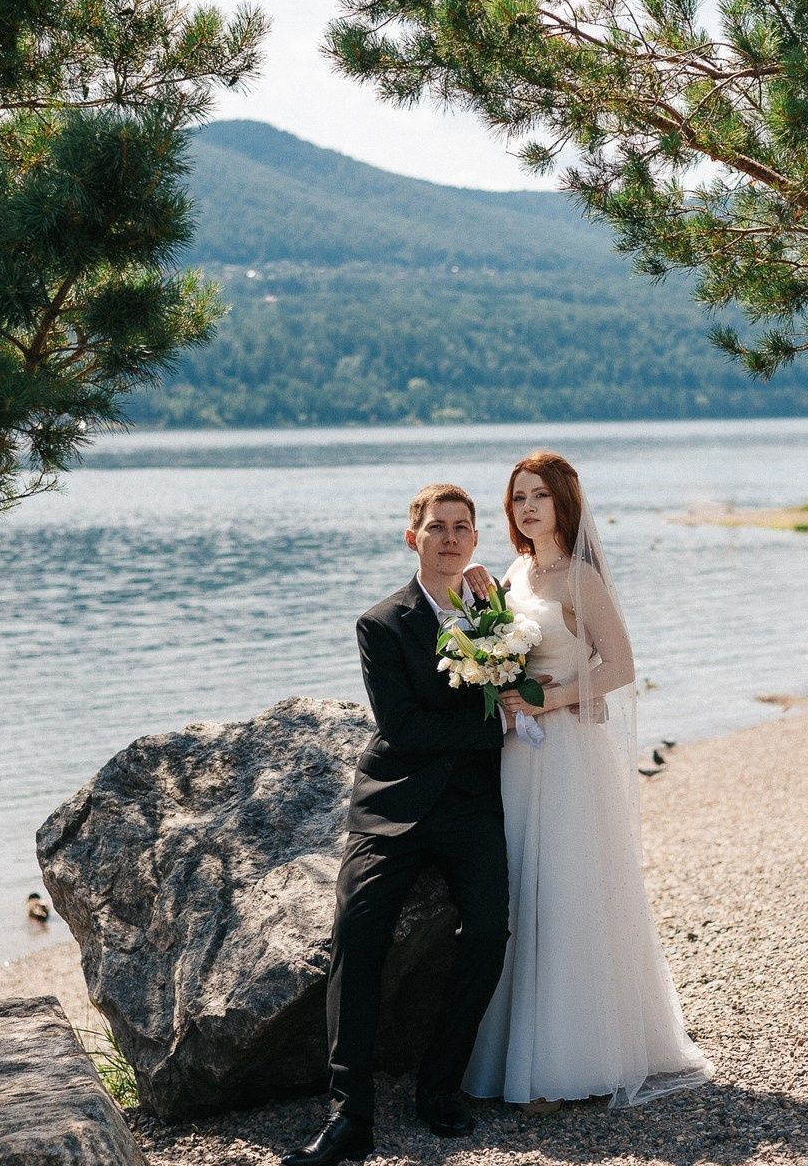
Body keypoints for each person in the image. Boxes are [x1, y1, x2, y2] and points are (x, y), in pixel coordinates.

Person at [462, 451, 714, 1111]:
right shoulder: (515, 573)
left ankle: (574, 1057)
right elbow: (502, 656)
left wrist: (553, 698)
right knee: (523, 892)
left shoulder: (581, 579)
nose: (526, 508)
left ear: (563, 504)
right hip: (518, 756)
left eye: (538, 496)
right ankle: (514, 1052)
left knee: (569, 892)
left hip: (569, 755)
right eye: (518, 497)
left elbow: (622, 666)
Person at [284, 484, 510, 1166]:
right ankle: (350, 1115)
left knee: (490, 927)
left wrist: (496, 681)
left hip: (470, 805)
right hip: (394, 803)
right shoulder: (381, 622)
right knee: (357, 933)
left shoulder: (495, 614)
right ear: (412, 538)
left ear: (474, 539)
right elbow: (403, 727)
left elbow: (523, 681)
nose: (449, 537)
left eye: (461, 527)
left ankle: (439, 1085)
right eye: (436, 527)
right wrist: (492, 722)